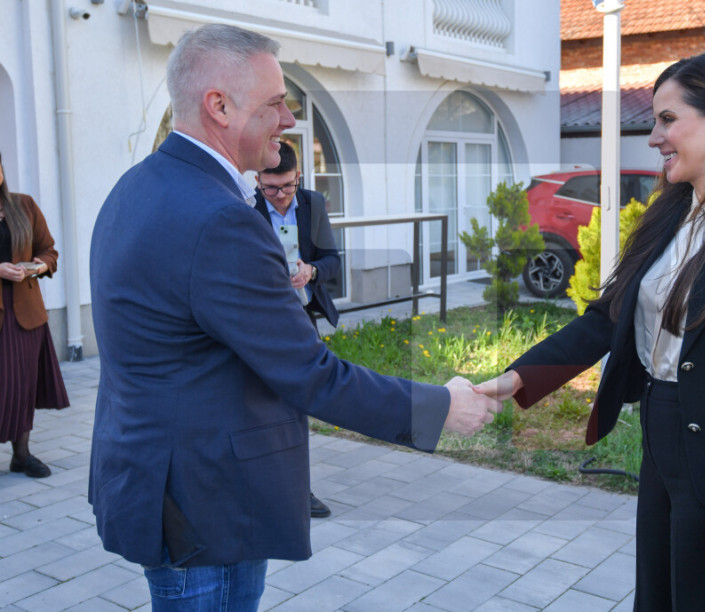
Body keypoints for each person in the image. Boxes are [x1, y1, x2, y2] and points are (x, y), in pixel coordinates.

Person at [89, 23, 500, 611]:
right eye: (276, 103)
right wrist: (439, 407)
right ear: (219, 106)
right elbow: (311, 374)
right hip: (206, 505)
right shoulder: (219, 218)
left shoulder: (139, 185)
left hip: (165, 480)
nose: (288, 119)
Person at [477, 52, 705, 611]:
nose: (654, 137)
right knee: (659, 598)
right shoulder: (668, 213)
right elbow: (607, 317)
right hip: (662, 442)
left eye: (667, 119)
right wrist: (517, 379)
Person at [254, 141, 340, 518]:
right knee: (258, 405)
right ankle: (260, 484)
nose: (279, 196)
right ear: (257, 181)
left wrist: (312, 270)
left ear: (298, 177)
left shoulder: (313, 204)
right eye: (270, 188)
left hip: (300, 317)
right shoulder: (244, 207)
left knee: (297, 402)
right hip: (257, 319)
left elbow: (333, 260)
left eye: (287, 186)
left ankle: (297, 490)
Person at [0, 151, 70, 479]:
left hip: (25, 313)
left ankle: (21, 455)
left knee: (23, 384)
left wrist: (37, 266)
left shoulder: (24, 205)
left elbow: (48, 251)